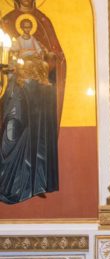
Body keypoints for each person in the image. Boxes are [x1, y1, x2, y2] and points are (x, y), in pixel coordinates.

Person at [0, 12, 59, 204]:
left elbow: (45, 53)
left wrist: (43, 57)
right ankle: (10, 184)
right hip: (17, 119)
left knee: (35, 144)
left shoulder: (40, 87)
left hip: (33, 123)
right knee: (11, 138)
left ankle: (35, 183)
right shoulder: (14, 82)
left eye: (28, 27)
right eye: (24, 26)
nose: (26, 29)